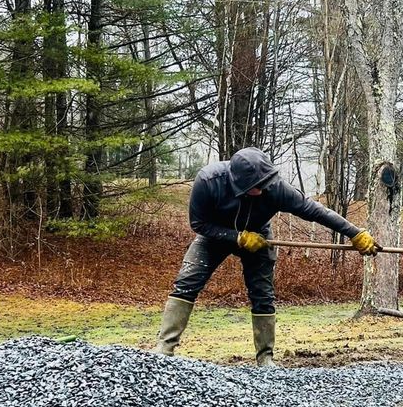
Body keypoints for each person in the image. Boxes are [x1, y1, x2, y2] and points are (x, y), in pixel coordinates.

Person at [153, 147, 378, 367]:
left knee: (262, 294)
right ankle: (164, 349)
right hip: (215, 235)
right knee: (187, 283)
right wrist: (237, 237)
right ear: (238, 183)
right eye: (256, 187)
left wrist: (355, 232)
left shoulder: (275, 187)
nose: (262, 190)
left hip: (259, 237)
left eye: (264, 184)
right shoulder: (209, 181)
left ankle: (265, 359)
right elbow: (198, 224)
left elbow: (314, 210)